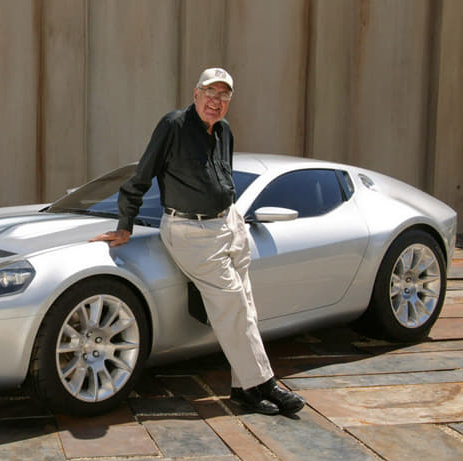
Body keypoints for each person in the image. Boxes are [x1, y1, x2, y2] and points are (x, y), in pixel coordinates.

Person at [90, 68, 304, 415]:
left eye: (223, 95)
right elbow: (141, 176)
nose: (215, 101)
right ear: (196, 93)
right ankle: (264, 385)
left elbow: (223, 176)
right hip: (191, 231)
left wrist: (232, 217)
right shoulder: (173, 126)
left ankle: (244, 387)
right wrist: (125, 225)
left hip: (229, 223)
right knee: (233, 306)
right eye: (210, 93)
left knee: (245, 307)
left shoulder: (224, 130)